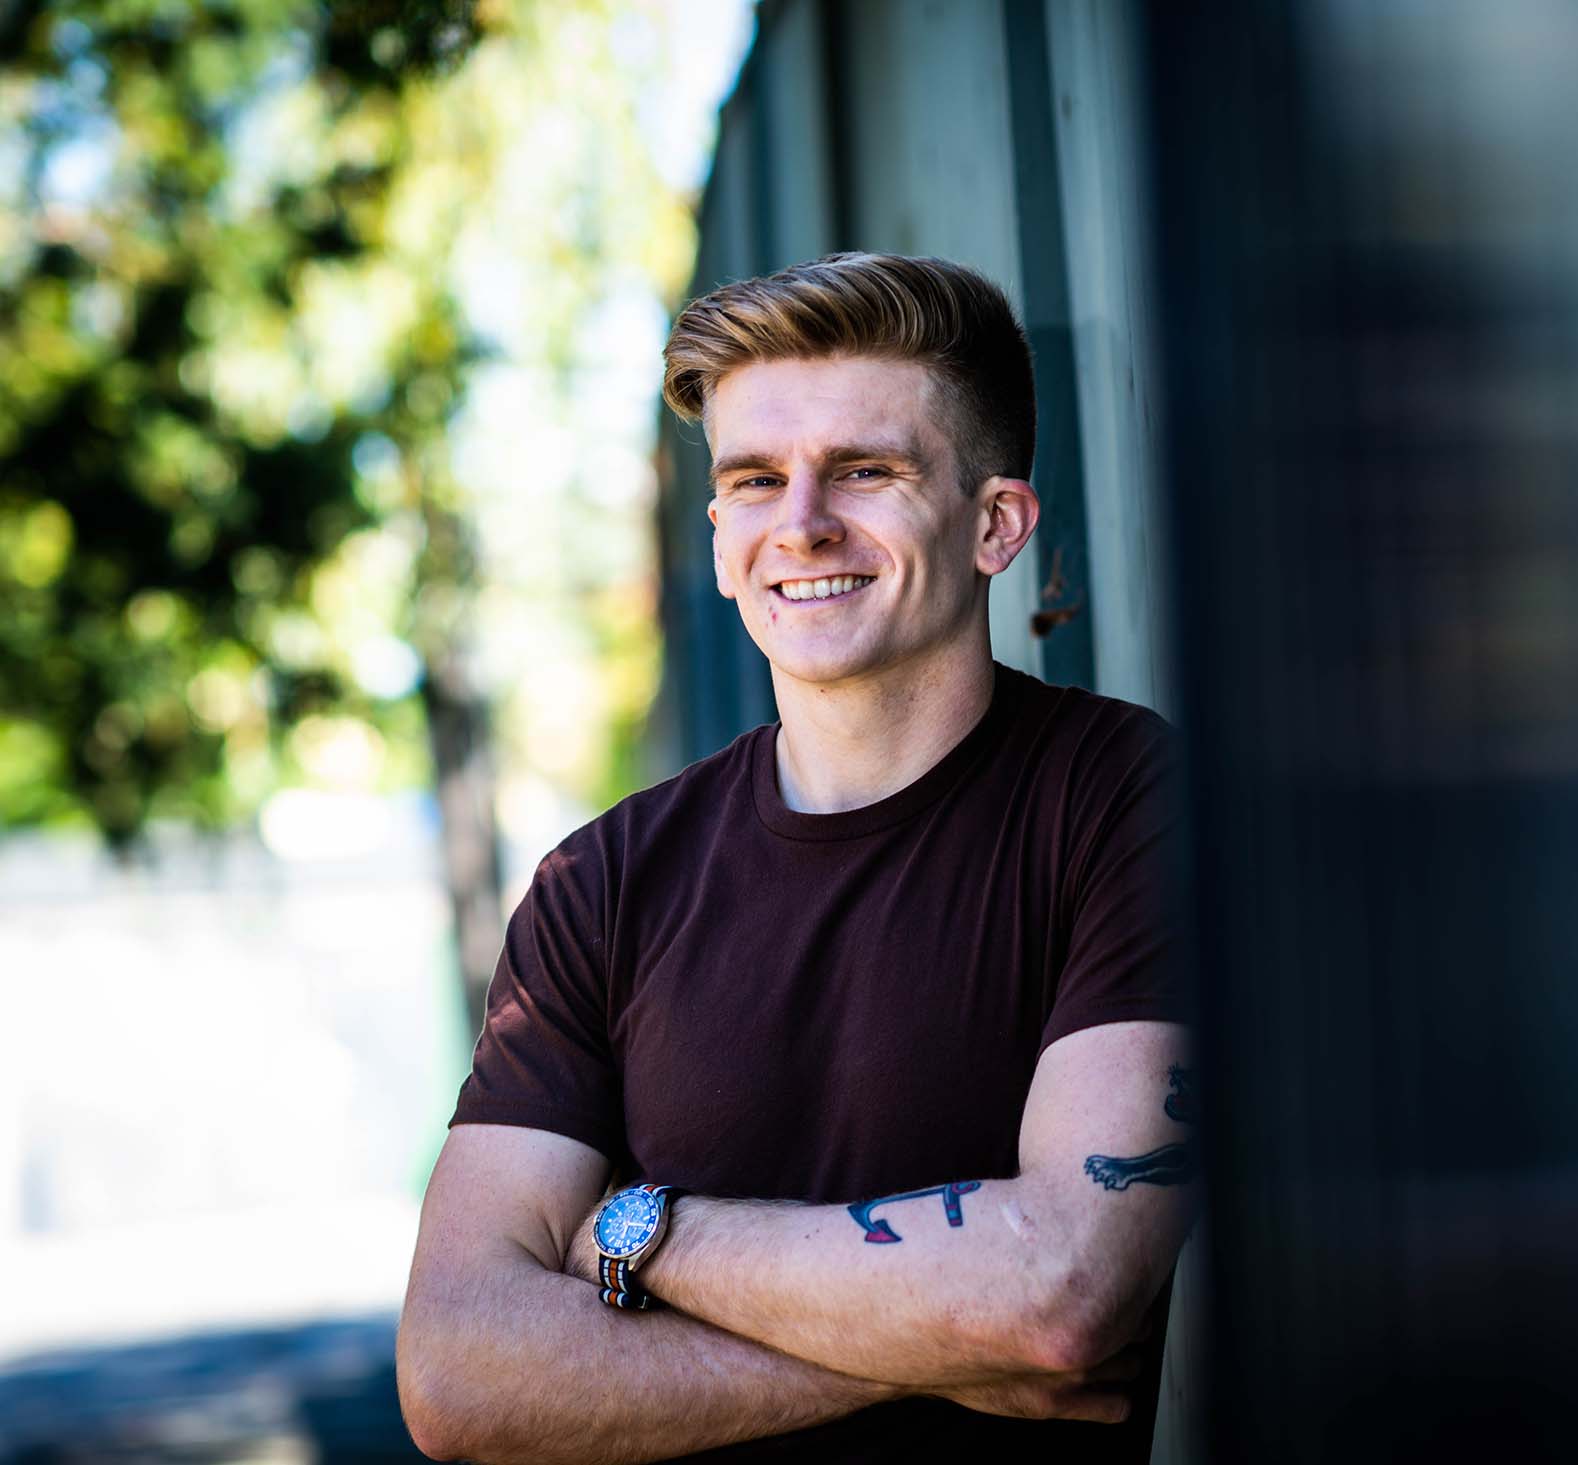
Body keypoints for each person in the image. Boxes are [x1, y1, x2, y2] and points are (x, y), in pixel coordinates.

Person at [396, 252, 1196, 1463]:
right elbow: (458, 1373)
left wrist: (634, 1236)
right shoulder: (600, 885)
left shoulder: (1124, 804)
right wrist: (925, 1341)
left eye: (865, 471)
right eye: (755, 480)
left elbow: (1059, 1298)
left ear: (995, 524)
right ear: (720, 542)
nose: (802, 522)